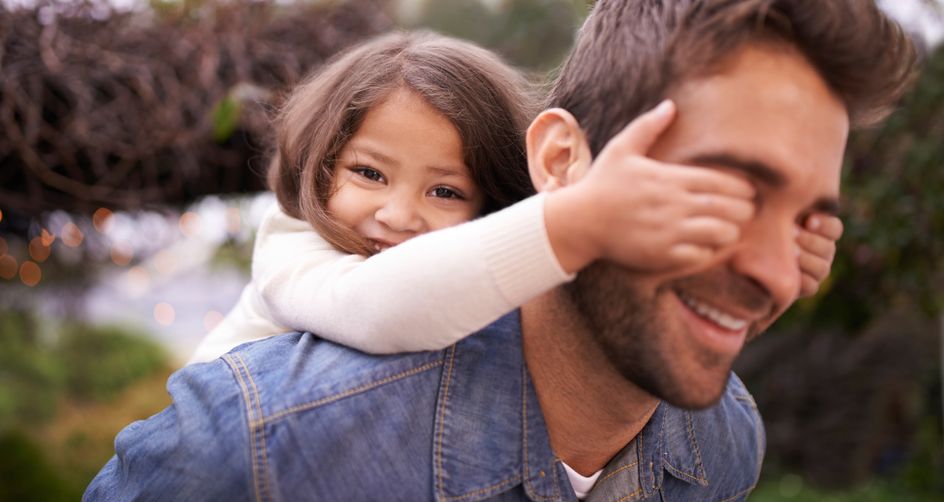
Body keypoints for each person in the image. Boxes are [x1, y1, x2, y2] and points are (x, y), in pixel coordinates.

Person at [70, 1, 915, 502]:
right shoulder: (258, 448)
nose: (776, 270)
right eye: (720, 194)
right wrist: (578, 222)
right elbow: (384, 308)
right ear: (557, 166)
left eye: (807, 222)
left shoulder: (725, 450)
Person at [190, 30, 833, 364]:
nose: (398, 213)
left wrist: (756, 276)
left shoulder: (467, 267)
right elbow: (379, 311)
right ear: (321, 167)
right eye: (369, 174)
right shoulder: (293, 244)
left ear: (491, 201)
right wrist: (577, 221)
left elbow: (603, 330)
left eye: (445, 189)